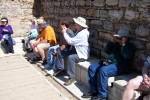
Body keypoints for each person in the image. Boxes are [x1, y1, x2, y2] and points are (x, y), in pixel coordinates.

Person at [82, 29, 136, 100]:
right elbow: (106, 50)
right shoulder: (116, 44)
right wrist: (112, 41)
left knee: (103, 71)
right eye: (118, 38)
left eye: (120, 38)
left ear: (126, 38)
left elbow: (127, 56)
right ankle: (94, 90)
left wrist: (123, 45)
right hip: (109, 63)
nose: (118, 39)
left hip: (120, 66)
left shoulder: (130, 46)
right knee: (92, 67)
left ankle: (102, 96)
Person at [61, 17, 90, 86]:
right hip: (77, 51)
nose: (74, 24)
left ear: (80, 25)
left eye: (76, 23)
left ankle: (72, 77)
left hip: (82, 55)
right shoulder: (79, 31)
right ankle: (61, 69)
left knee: (71, 57)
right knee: (61, 52)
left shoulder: (82, 34)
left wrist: (64, 33)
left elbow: (71, 41)